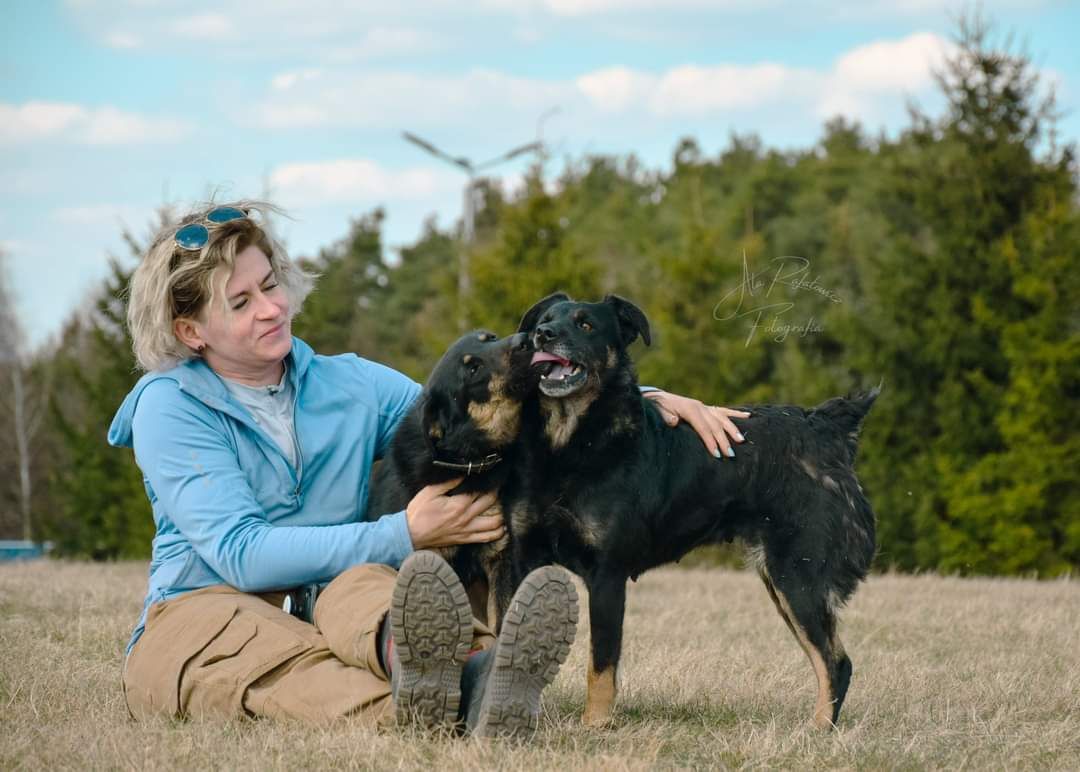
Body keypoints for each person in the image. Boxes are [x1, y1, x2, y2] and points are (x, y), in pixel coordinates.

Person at [108, 201, 749, 735]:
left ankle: (468, 668)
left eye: (269, 285)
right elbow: (239, 554)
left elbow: (478, 410)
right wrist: (405, 532)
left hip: (330, 591)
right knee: (278, 655)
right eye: (240, 303)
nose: (271, 308)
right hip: (202, 606)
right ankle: (463, 701)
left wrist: (646, 399)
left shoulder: (350, 383)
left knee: (376, 592)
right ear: (192, 332)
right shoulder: (170, 407)